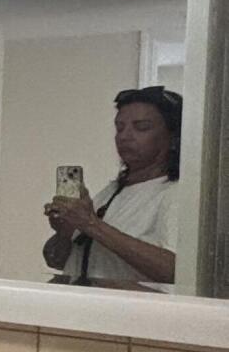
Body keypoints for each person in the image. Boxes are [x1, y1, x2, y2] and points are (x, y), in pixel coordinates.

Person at [43, 86, 181, 287]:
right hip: (82, 309)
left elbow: (176, 272)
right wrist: (64, 233)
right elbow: (57, 261)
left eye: (141, 127)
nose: (124, 136)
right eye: (119, 127)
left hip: (132, 315)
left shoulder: (176, 193)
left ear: (173, 137)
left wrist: (91, 224)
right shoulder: (112, 191)